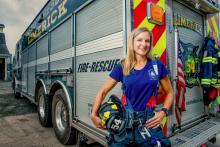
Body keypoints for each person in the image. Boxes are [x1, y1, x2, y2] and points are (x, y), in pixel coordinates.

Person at [91, 27, 174, 146]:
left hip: (148, 123)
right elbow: (103, 91)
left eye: (147, 41)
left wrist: (163, 112)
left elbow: (170, 92)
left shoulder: (157, 66)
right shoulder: (123, 66)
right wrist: (93, 114)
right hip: (124, 123)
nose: (144, 44)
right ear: (132, 42)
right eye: (139, 40)